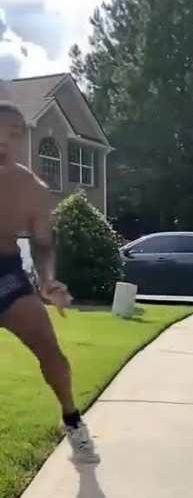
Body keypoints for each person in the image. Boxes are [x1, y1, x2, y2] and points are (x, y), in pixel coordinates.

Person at [0, 99, 99, 464]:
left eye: (13, 135)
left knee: (51, 353)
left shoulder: (33, 188)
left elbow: (42, 243)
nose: (4, 142)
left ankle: (73, 421)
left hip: (5, 276)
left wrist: (49, 281)